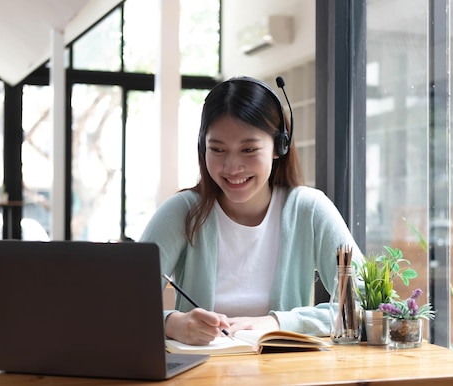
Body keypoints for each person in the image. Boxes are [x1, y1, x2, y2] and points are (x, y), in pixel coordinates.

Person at [139, 76, 362, 346]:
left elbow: (361, 305)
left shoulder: (309, 210)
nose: (232, 167)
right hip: (200, 375)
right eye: (217, 149)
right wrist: (172, 323)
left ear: (280, 147)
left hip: (282, 375)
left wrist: (279, 322)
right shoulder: (182, 212)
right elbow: (122, 303)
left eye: (249, 149)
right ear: (202, 148)